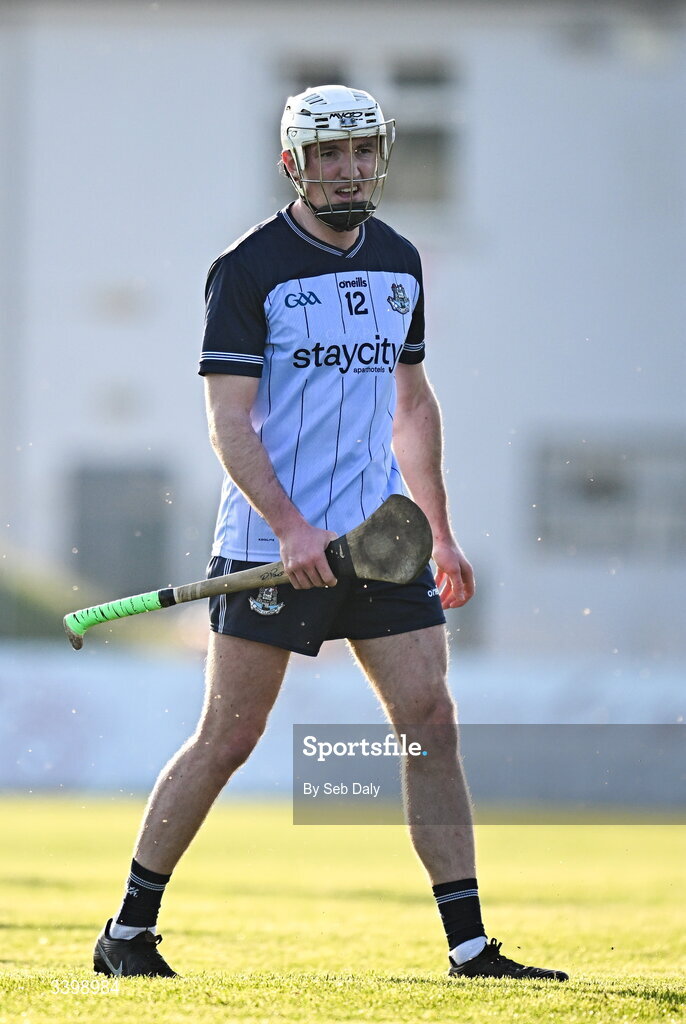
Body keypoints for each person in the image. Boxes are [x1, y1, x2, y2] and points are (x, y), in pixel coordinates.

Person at [93, 84, 568, 982]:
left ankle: (470, 947)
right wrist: (290, 526)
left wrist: (443, 531)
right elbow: (229, 423)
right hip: (270, 546)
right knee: (228, 738)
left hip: (385, 542)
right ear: (293, 165)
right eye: (327, 155)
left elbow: (412, 404)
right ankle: (127, 931)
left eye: (360, 151)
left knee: (430, 722)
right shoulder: (248, 268)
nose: (347, 170)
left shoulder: (400, 259)